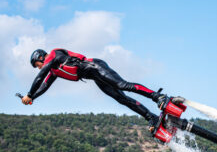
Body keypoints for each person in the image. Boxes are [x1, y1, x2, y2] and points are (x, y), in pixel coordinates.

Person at [22, 48, 169, 127]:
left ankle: (157, 97)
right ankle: (151, 117)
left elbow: (40, 76)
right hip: (94, 77)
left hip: (95, 67)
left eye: (37, 65)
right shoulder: (54, 70)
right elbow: (45, 84)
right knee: (120, 98)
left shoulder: (53, 55)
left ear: (40, 58)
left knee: (122, 85)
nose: (38, 68)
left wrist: (29, 94)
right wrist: (33, 98)